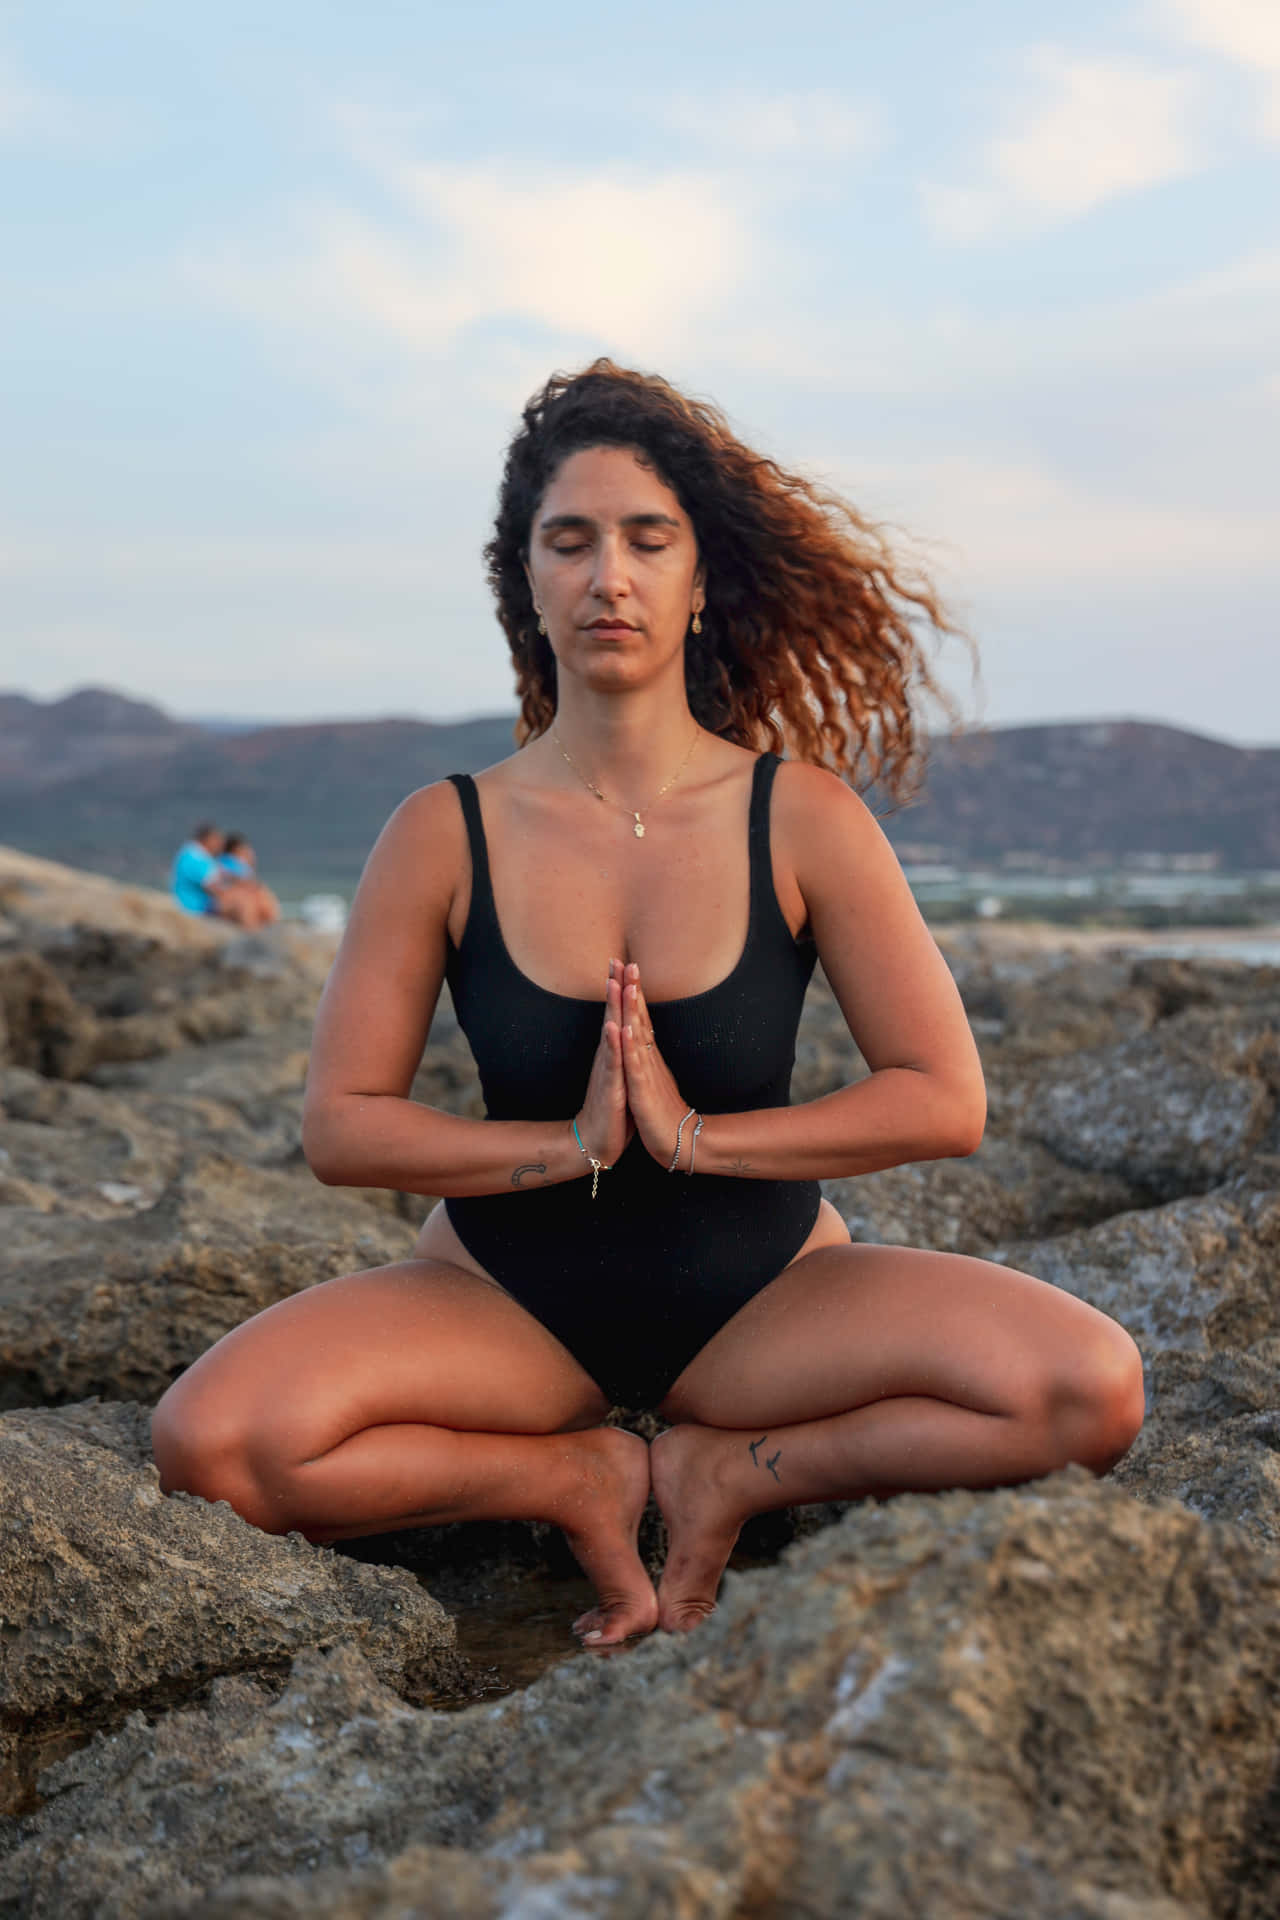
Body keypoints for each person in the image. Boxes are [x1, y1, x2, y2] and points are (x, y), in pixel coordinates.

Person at [152, 362, 1144, 1646]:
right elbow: (344, 1126)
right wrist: (562, 1149)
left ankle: (727, 1471)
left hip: (763, 1302)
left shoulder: (800, 817)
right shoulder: (442, 831)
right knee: (209, 1443)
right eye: (568, 542)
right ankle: (574, 1477)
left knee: (1085, 1390)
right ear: (526, 581)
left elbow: (943, 1100)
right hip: (505, 1306)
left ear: (696, 577)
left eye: (645, 539)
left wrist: (695, 1142)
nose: (607, 575)